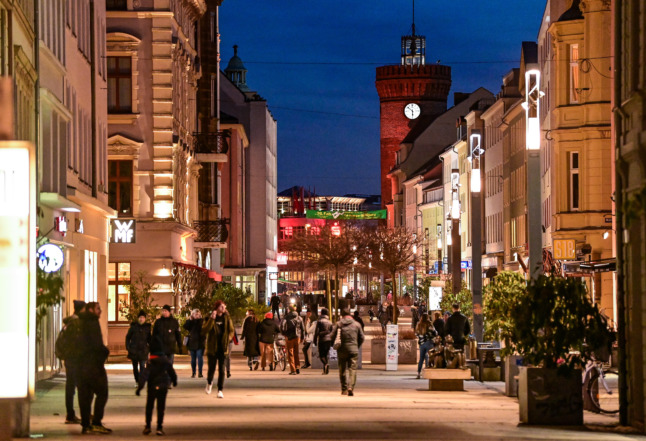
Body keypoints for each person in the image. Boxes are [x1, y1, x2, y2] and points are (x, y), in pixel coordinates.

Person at [77, 302, 111, 434]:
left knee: (85, 395)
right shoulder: (92, 322)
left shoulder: (79, 322)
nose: (100, 311)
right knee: (102, 393)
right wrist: (105, 352)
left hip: (80, 365)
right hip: (93, 366)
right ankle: (96, 422)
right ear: (91, 310)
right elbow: (96, 345)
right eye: (98, 308)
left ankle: (86, 425)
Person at [136, 335, 177, 436]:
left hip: (152, 386)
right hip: (163, 386)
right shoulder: (166, 361)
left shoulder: (150, 362)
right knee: (161, 407)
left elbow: (144, 375)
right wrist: (174, 381)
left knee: (149, 406)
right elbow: (172, 372)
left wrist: (140, 387)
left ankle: (148, 426)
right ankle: (159, 427)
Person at [202, 300, 234, 398]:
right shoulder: (209, 317)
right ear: (217, 308)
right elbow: (204, 330)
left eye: (224, 307)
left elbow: (231, 330)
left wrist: (228, 339)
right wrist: (212, 319)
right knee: (211, 369)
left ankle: (220, 390)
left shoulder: (227, 318)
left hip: (223, 348)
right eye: (221, 307)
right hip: (212, 348)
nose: (223, 308)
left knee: (222, 370)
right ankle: (209, 383)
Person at [60, 299, 85, 425]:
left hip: (70, 359)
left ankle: (72, 413)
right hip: (74, 359)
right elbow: (77, 343)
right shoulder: (75, 324)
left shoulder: (69, 323)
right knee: (74, 387)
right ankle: (71, 414)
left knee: (72, 386)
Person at [331, 309, 365, 396]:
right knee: (352, 369)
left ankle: (344, 389)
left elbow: (332, 336)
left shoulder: (338, 324)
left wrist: (335, 346)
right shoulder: (357, 324)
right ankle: (351, 387)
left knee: (342, 369)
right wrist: (356, 346)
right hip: (353, 349)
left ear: (342, 315)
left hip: (342, 350)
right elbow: (362, 337)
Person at [126, 310, 151, 386]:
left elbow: (150, 339)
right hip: (134, 350)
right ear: (138, 318)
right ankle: (137, 380)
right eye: (140, 317)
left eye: (143, 317)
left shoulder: (147, 328)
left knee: (143, 366)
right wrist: (128, 347)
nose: (141, 319)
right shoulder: (133, 327)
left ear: (145, 319)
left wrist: (150, 349)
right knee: (135, 367)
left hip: (143, 350)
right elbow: (128, 337)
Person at [280, 304, 305, 375]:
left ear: (289, 309)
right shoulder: (299, 318)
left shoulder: (286, 317)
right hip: (297, 337)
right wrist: (302, 337)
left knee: (290, 353)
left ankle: (293, 370)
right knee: (296, 352)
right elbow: (303, 329)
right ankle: (297, 367)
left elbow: (282, 326)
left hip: (289, 337)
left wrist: (284, 334)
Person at [183, 309, 205, 378]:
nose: (197, 316)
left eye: (198, 314)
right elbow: (185, 327)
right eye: (195, 314)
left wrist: (196, 320)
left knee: (199, 357)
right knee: (193, 359)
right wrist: (190, 320)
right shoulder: (190, 322)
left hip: (200, 343)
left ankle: (200, 372)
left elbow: (200, 327)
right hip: (192, 342)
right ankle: (193, 372)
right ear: (192, 315)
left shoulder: (201, 321)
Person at [415, 313, 438, 379]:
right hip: (429, 342)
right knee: (429, 357)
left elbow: (416, 333)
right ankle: (428, 372)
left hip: (422, 344)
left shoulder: (419, 324)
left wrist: (421, 338)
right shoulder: (429, 324)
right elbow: (435, 332)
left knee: (421, 359)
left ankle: (419, 373)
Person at [313, 308, 334, 374]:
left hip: (322, 340)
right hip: (328, 340)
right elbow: (332, 332)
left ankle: (326, 364)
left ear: (321, 313)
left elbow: (316, 331)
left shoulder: (320, 321)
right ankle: (325, 370)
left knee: (321, 355)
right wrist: (332, 341)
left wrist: (315, 340)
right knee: (326, 354)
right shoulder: (330, 322)